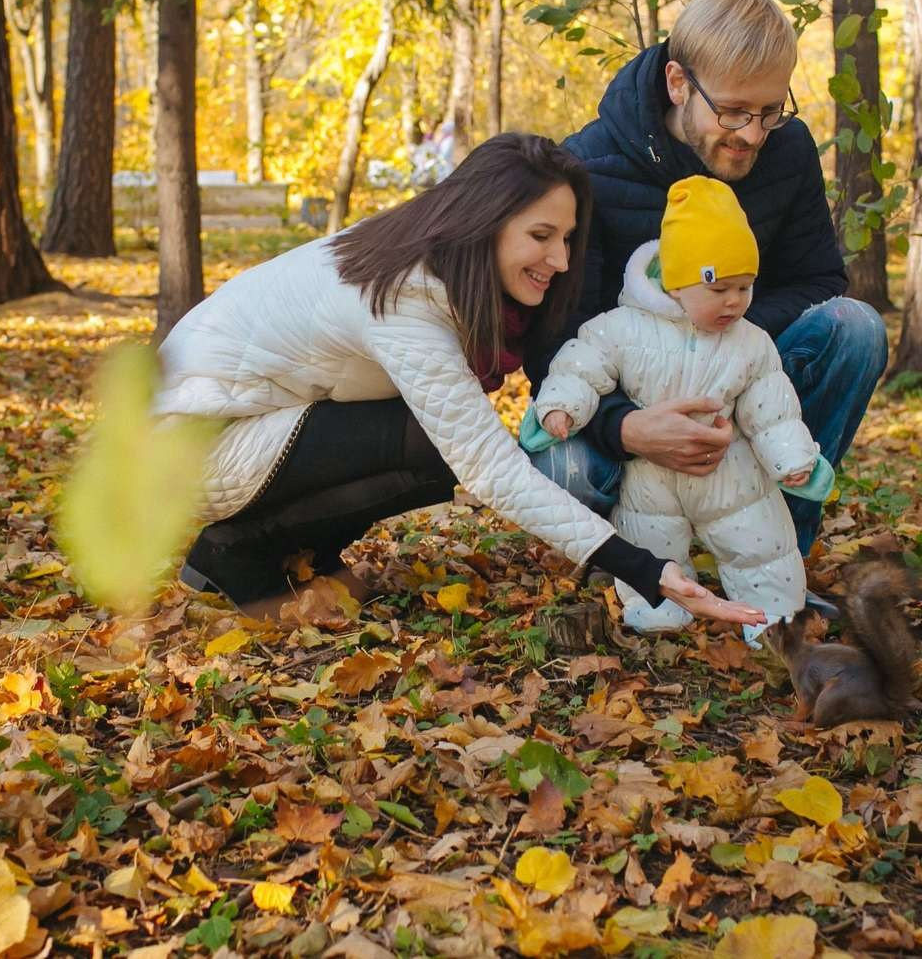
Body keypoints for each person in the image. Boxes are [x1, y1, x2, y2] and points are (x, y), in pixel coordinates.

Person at [152, 132, 767, 629]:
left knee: (435, 438)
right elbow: (488, 468)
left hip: (249, 423)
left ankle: (288, 551)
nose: (558, 260)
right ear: (485, 220)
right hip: (198, 445)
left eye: (567, 238)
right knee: (437, 442)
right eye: (540, 236)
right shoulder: (404, 297)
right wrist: (642, 567)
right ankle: (240, 552)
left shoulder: (423, 261)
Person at [527, 0, 890, 558]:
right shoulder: (588, 168)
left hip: (748, 384)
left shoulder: (787, 150)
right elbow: (555, 338)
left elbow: (818, 283)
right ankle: (633, 563)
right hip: (628, 399)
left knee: (856, 328)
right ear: (678, 83)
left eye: (770, 110)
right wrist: (627, 426)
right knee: (564, 466)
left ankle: (776, 550)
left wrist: (725, 352)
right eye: (733, 110)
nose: (751, 134)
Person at [526, 176, 831, 636]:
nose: (734, 302)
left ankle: (772, 622)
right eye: (719, 288)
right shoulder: (623, 328)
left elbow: (773, 408)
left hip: (730, 476)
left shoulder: (750, 343)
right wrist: (561, 409)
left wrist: (791, 458)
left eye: (745, 287)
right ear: (676, 282)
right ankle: (659, 613)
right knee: (650, 541)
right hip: (649, 480)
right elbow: (581, 367)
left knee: (760, 545)